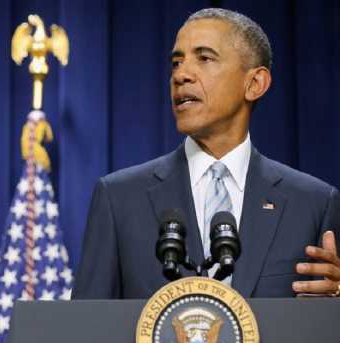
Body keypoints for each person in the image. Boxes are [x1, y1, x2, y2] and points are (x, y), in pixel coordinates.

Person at [72, 8, 340, 299]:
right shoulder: (119, 199)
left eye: (204, 58)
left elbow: (322, 322)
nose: (181, 75)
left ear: (255, 84)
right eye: (176, 62)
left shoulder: (313, 204)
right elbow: (87, 322)